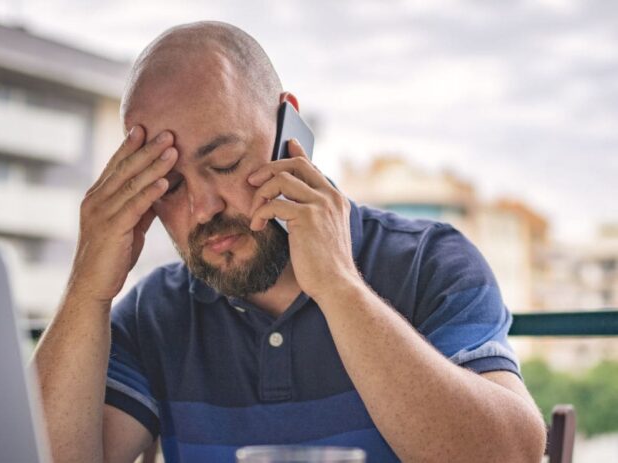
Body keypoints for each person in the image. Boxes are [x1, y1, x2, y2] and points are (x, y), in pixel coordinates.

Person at [33, 21, 546, 463]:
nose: (203, 207)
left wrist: (341, 288)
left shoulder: (429, 263)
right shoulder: (154, 315)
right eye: (168, 185)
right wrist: (87, 289)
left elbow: (509, 455)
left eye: (226, 163)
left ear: (287, 125)